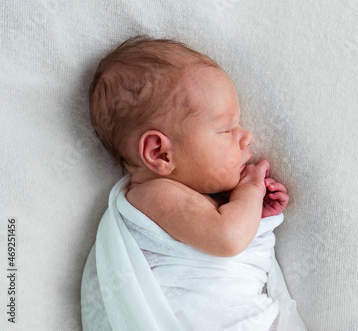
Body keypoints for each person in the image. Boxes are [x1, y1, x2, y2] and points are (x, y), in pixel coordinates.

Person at [81, 35, 307, 331]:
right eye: (226, 129)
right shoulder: (152, 195)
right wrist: (249, 192)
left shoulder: (189, 199)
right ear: (159, 152)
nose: (246, 136)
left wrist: (254, 216)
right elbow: (227, 239)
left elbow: (221, 248)